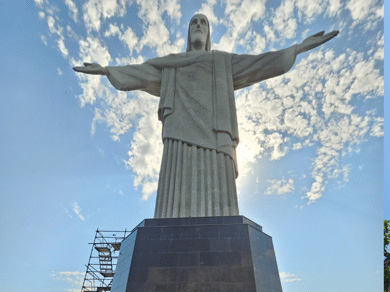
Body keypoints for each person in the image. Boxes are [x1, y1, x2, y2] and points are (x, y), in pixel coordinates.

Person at [74, 14, 338, 219]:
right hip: (178, 136)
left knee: (220, 203)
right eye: (194, 22)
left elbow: (258, 64)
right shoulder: (170, 64)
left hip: (216, 134)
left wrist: (297, 49)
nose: (199, 26)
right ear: (188, 32)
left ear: (209, 33)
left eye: (203, 23)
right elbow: (140, 73)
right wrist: (107, 70)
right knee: (173, 200)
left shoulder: (222, 62)